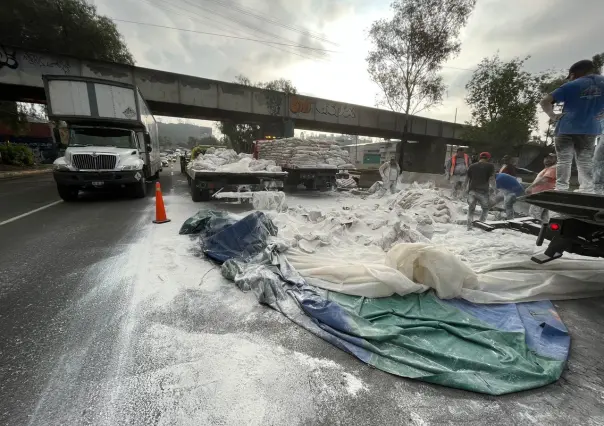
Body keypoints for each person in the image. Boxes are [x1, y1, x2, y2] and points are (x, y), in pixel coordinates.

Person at [540, 59, 604, 192]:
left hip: (566, 127)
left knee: (564, 160)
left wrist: (553, 116)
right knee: (585, 160)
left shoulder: (571, 86)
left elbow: (545, 101)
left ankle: (561, 188)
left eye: (571, 77)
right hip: (590, 129)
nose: (570, 79)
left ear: (575, 74)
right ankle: (587, 189)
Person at [465, 152, 495, 230]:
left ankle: (469, 227)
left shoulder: (472, 166)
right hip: (483, 192)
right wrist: (494, 189)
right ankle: (480, 226)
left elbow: (467, 179)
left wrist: (465, 189)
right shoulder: (490, 166)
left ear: (480, 157)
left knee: (471, 209)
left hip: (472, 191)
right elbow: (492, 179)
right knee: (485, 209)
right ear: (488, 158)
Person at [526, 154, 557, 222]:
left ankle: (535, 230)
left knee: (534, 215)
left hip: (542, 196)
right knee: (544, 217)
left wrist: (530, 187)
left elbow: (544, 180)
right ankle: (543, 230)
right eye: (546, 158)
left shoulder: (553, 168)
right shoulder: (546, 169)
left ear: (556, 159)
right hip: (543, 196)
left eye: (551, 158)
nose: (548, 159)